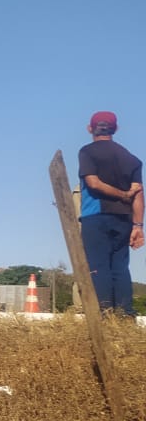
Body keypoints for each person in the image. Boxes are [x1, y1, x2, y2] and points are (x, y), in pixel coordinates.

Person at [77, 110, 144, 315]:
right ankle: (124, 315)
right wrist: (138, 226)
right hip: (124, 219)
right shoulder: (131, 159)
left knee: (98, 267)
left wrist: (122, 195)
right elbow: (138, 194)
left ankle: (104, 315)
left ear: (90, 129)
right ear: (115, 129)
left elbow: (93, 183)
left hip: (95, 217)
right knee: (120, 268)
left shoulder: (88, 152)